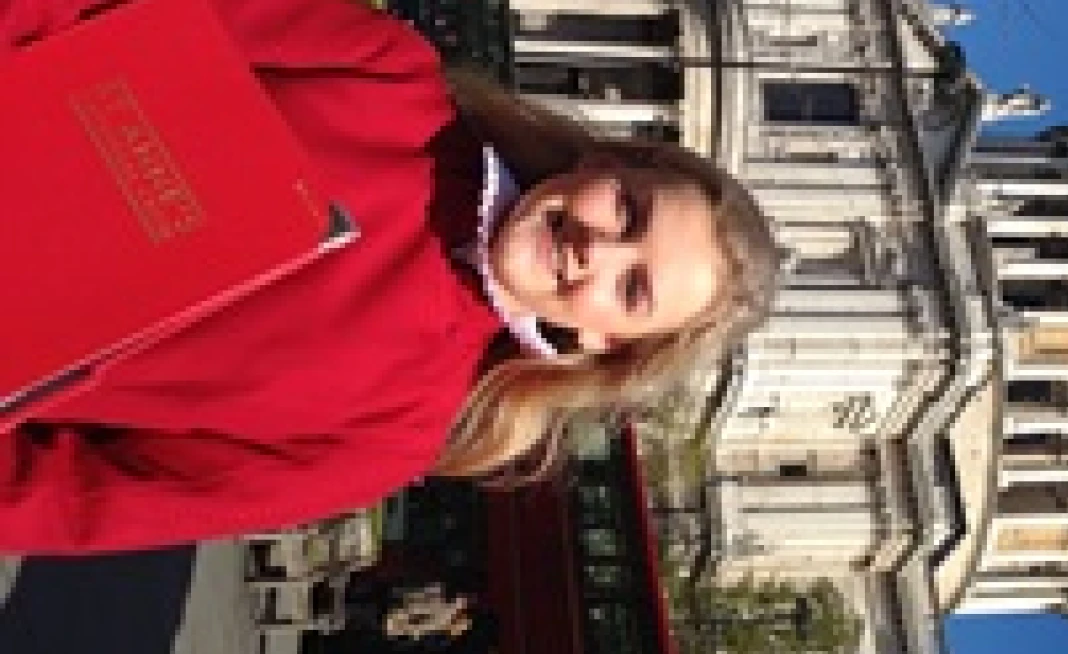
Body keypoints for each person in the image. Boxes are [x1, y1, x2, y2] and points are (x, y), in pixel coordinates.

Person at [0, 0, 779, 554]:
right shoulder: (390, 76)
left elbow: (89, 499)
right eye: (629, 211)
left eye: (631, 288)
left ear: (606, 342)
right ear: (606, 163)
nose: (595, 248)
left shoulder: (392, 436)